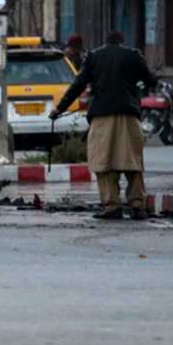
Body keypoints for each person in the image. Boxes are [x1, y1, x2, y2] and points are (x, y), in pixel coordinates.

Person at [51, 31, 156, 220]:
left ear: (105, 42)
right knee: (132, 161)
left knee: (103, 162)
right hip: (128, 114)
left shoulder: (94, 57)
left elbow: (78, 85)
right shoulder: (133, 56)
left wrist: (59, 109)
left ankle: (111, 205)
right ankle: (137, 205)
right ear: (122, 42)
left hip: (102, 116)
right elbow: (151, 80)